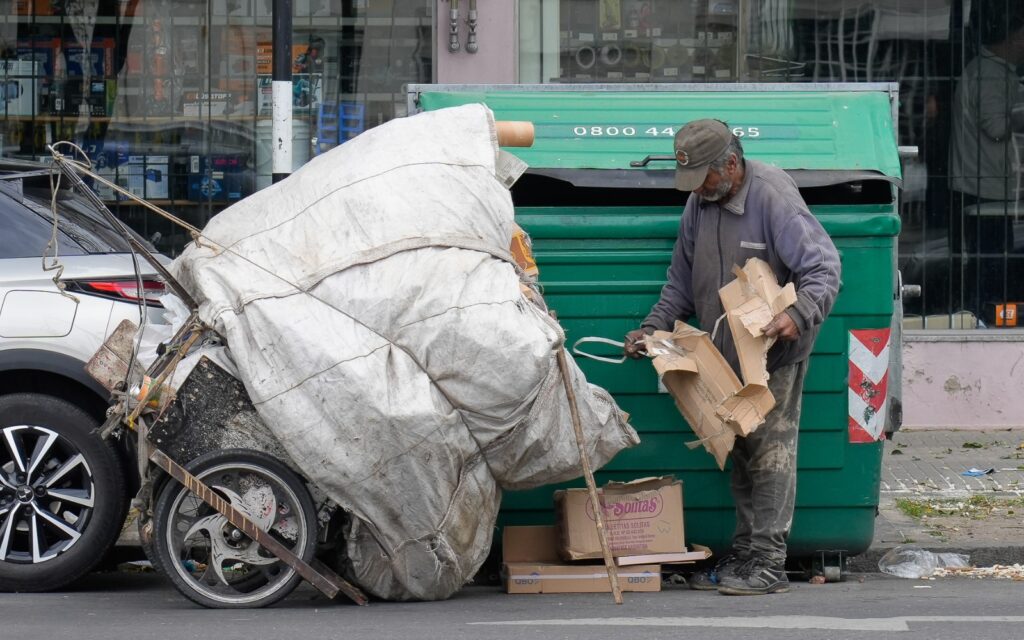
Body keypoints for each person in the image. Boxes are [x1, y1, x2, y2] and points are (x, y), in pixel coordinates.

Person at [624, 119, 840, 596]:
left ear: (732, 165)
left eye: (704, 177)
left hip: (773, 354)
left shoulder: (771, 194)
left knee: (770, 454)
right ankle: (746, 553)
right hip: (725, 358)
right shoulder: (699, 202)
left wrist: (800, 314)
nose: (697, 188)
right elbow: (680, 281)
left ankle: (768, 562)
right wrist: (651, 329)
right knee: (740, 452)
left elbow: (824, 267)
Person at [948, 2, 1024, 319]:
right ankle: (988, 320)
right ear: (1014, 38)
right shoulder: (990, 74)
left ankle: (989, 317)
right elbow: (995, 127)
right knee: (992, 264)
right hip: (984, 189)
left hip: (986, 185)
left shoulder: (990, 70)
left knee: (990, 262)